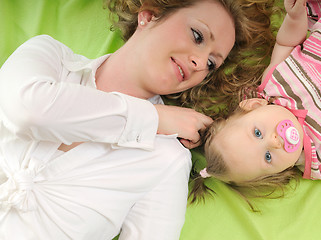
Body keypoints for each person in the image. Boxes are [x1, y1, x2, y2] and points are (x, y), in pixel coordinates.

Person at [0, 0, 278, 239]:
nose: (199, 63)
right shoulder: (50, 58)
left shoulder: (167, 158)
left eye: (210, 64)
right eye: (197, 36)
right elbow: (29, 112)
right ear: (149, 14)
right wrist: (153, 119)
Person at [190, 0, 321, 226]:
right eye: (268, 157)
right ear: (283, 169)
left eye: (258, 133)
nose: (275, 141)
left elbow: (287, 41)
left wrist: (294, 18)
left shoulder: (275, 83)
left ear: (253, 106)